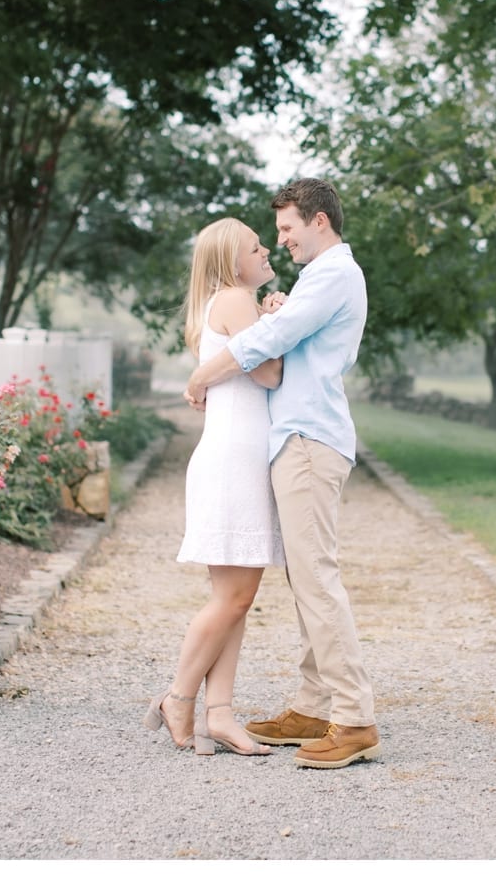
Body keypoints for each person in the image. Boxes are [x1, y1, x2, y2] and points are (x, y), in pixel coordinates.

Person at [183, 177, 379, 769]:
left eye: (287, 228)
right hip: (298, 438)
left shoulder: (336, 273)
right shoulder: (316, 279)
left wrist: (201, 376)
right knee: (306, 580)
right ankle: (314, 704)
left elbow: (273, 341)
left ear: (319, 221)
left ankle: (354, 717)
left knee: (316, 578)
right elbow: (283, 332)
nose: (281, 240)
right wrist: (279, 306)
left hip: (309, 438)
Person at [145, 217, 285, 757]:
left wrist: (269, 313)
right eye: (256, 246)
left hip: (237, 457)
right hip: (233, 461)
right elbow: (269, 373)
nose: (267, 248)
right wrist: (277, 315)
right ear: (233, 262)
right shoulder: (233, 299)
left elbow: (255, 363)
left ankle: (220, 714)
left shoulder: (234, 302)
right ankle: (178, 698)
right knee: (233, 597)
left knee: (236, 599)